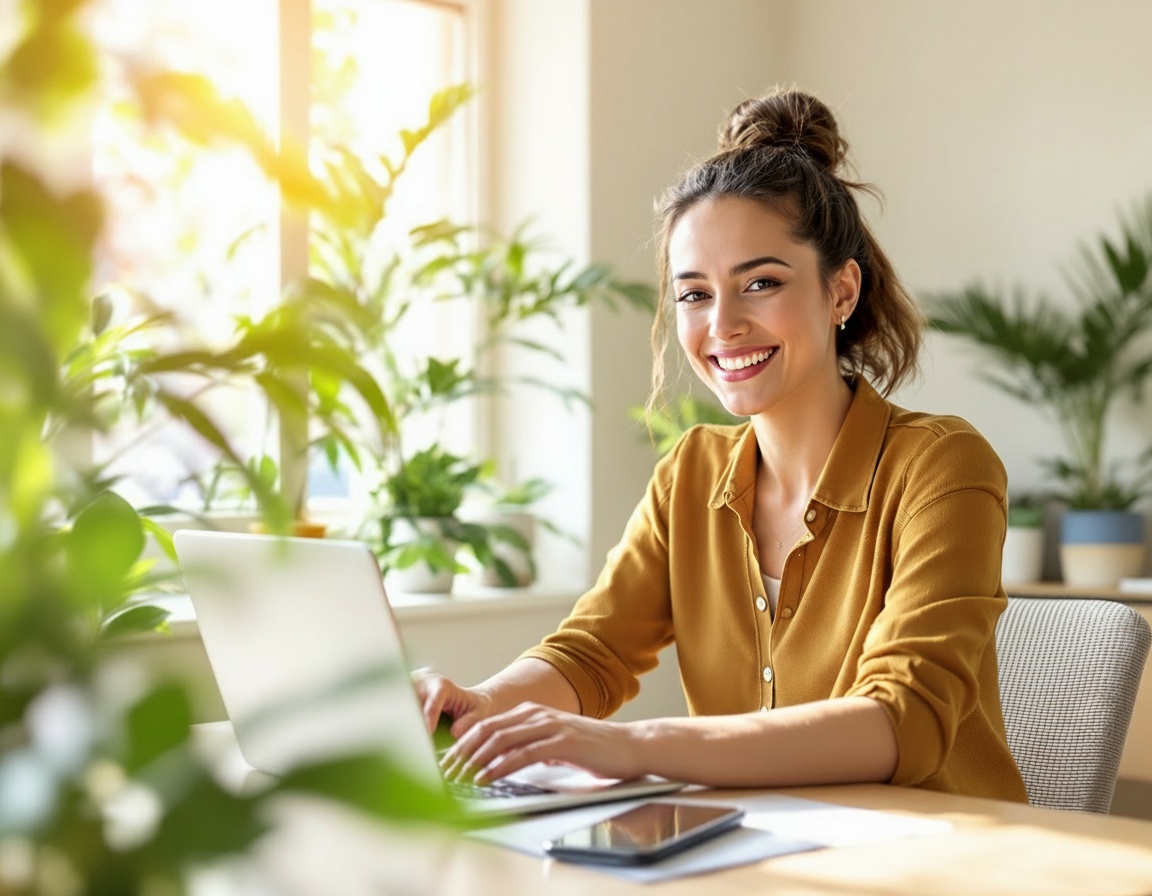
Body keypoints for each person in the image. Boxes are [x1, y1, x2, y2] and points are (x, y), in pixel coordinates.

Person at [419, 87, 1028, 802]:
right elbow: (592, 652)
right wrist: (483, 705)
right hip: (760, 857)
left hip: (941, 857)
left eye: (760, 283)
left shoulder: (942, 466)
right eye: (695, 294)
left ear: (841, 292)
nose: (724, 324)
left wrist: (634, 744)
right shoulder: (692, 472)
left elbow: (903, 720)